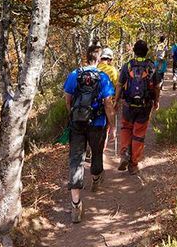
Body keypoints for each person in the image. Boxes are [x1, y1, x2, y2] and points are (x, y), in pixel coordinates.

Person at [63, 45, 116, 223]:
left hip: (77, 123)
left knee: (76, 159)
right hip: (98, 122)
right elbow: (108, 104)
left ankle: (76, 205)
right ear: (99, 58)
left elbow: (67, 99)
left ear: (86, 57)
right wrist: (112, 124)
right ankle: (95, 178)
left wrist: (73, 115)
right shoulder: (103, 77)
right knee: (96, 152)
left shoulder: (74, 74)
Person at [116, 40, 160, 175]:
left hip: (128, 105)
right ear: (146, 52)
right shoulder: (151, 66)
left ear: (134, 51)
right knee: (138, 134)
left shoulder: (127, 65)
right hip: (144, 105)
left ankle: (124, 153)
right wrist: (156, 101)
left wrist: (116, 100)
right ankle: (133, 164)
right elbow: (157, 86)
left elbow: (119, 84)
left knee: (126, 128)